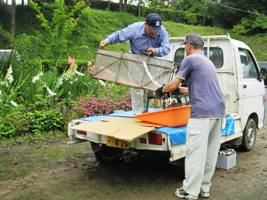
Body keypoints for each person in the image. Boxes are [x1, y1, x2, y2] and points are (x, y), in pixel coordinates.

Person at [155, 33, 225, 200]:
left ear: (188, 46)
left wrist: (162, 90)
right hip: (218, 111)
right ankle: (204, 188)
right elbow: (192, 89)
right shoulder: (207, 61)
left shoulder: (190, 59)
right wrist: (178, 90)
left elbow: (173, 84)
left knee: (195, 153)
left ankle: (189, 191)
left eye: (184, 46)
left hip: (201, 113)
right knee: (209, 153)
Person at [100, 13, 170, 114]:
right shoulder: (135, 28)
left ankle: (151, 112)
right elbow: (120, 35)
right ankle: (138, 114)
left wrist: (155, 51)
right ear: (146, 24)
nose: (155, 33)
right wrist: (107, 40)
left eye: (157, 31)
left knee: (152, 87)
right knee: (137, 86)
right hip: (135, 57)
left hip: (152, 60)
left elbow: (166, 48)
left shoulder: (162, 31)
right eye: (152, 30)